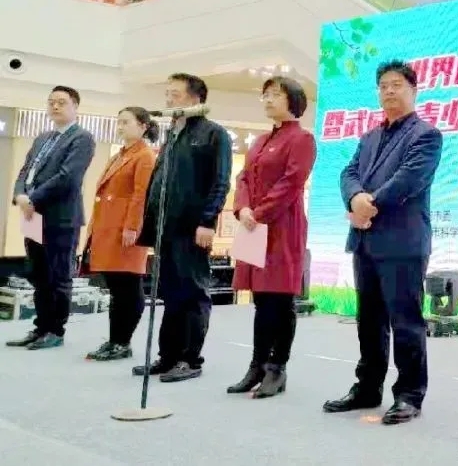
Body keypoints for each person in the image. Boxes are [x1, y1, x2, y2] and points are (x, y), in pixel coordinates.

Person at [323, 60, 443, 425]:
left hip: (403, 242)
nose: (389, 91)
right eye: (384, 86)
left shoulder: (426, 135)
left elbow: (409, 179)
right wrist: (354, 198)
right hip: (366, 239)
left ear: (414, 90)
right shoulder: (369, 137)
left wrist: (367, 204)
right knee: (369, 320)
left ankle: (409, 394)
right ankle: (367, 387)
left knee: (406, 321)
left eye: (396, 85)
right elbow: (348, 173)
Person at [132, 73, 233, 383]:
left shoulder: (214, 134)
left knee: (192, 293)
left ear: (195, 98)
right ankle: (168, 356)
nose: (168, 99)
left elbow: (220, 181)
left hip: (192, 227)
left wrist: (207, 221)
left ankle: (190, 359)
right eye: (167, 93)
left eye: (175, 94)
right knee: (170, 293)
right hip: (166, 227)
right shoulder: (173, 133)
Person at [227, 76, 317, 399]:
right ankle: (257, 365)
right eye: (265, 94)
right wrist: (242, 208)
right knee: (261, 299)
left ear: (293, 100)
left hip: (282, 227)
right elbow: (242, 178)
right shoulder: (260, 139)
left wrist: (259, 212)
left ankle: (277, 368)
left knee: (279, 299)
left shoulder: (302, 138)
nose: (267, 99)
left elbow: (292, 182)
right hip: (253, 224)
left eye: (275, 94)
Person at [6, 86, 95, 350]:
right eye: (51, 102)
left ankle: (55, 330)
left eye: (62, 102)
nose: (55, 106)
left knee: (58, 276)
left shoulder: (82, 138)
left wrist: (32, 198)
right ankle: (41, 327)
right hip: (33, 216)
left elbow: (68, 177)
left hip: (61, 218)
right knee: (39, 274)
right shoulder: (43, 138)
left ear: (75, 107)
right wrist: (20, 195)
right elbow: (25, 171)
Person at [83, 107, 158, 361]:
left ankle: (122, 341)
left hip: (126, 229)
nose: (121, 126)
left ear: (143, 126)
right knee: (116, 286)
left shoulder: (145, 155)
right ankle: (115, 339)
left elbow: (141, 195)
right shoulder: (120, 155)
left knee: (127, 285)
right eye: (119, 122)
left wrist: (133, 227)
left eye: (126, 122)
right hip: (108, 226)